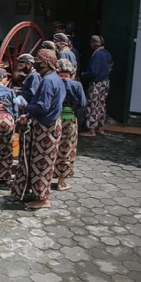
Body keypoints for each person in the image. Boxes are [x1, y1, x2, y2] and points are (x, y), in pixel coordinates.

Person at [11, 49, 65, 209]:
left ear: (46, 63)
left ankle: (42, 198)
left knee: (41, 163)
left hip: (45, 128)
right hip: (50, 124)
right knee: (39, 162)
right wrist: (27, 116)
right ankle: (36, 193)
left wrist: (26, 107)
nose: (36, 65)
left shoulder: (48, 81)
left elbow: (42, 106)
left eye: (39, 62)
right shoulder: (56, 79)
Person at [55, 59, 86, 191]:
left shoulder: (53, 83)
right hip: (70, 119)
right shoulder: (76, 85)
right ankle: (61, 182)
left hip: (55, 118)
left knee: (53, 148)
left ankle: (47, 176)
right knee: (66, 149)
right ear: (71, 72)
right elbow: (83, 103)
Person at [81, 35, 112, 137]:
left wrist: (84, 75)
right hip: (105, 82)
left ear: (94, 44)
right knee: (101, 105)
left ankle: (91, 130)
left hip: (97, 83)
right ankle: (100, 127)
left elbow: (94, 71)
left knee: (92, 105)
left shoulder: (98, 55)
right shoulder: (106, 53)